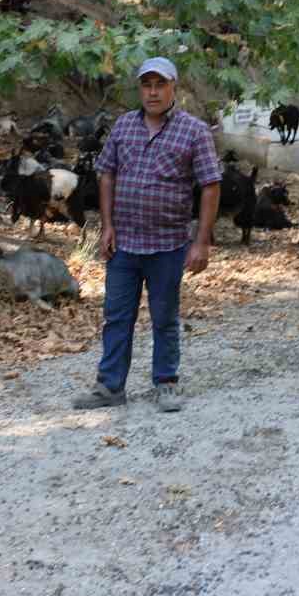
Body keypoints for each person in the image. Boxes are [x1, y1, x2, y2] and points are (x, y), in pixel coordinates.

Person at [73, 57, 221, 413]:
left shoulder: (194, 131)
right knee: (117, 316)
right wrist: (107, 225)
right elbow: (106, 174)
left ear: (174, 88)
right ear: (140, 89)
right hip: (124, 244)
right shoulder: (123, 126)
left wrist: (201, 241)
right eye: (146, 85)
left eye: (160, 84)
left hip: (169, 244)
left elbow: (210, 185)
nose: (152, 92)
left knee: (165, 317)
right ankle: (110, 387)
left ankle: (166, 382)